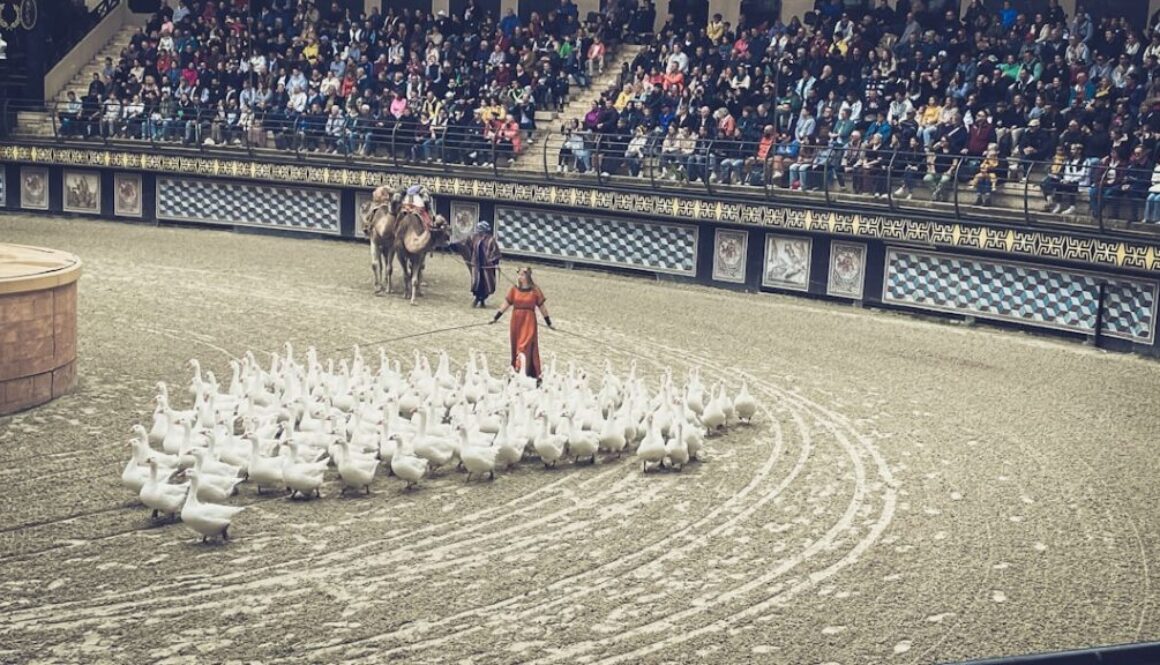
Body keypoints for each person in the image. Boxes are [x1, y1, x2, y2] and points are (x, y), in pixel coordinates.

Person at [491, 267, 552, 379]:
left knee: (523, 347)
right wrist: (496, 317)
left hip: (529, 321)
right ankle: (518, 371)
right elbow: (506, 304)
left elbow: (542, 307)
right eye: (519, 275)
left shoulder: (535, 290)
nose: (520, 277)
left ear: (528, 276)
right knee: (516, 346)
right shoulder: (514, 290)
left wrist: (549, 322)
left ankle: (520, 371)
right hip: (516, 321)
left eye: (522, 275)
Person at [466, 221, 501, 308]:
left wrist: (494, 262)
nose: (479, 232)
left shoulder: (491, 240)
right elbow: (470, 246)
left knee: (487, 284)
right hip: (477, 266)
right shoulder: (475, 238)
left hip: (487, 267)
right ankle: (477, 299)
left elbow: (496, 252)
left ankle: (481, 300)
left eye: (480, 230)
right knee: (477, 284)